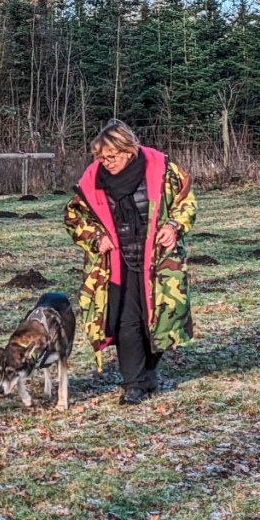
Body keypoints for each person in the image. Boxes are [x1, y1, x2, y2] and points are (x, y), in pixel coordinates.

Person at [64, 120, 197, 405]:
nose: (106, 162)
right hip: (115, 265)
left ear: (129, 150)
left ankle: (148, 372)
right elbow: (74, 218)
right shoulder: (92, 179)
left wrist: (173, 226)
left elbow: (186, 203)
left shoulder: (162, 169)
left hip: (160, 263)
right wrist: (95, 236)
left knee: (159, 320)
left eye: (111, 156)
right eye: (100, 157)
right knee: (126, 322)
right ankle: (133, 384)